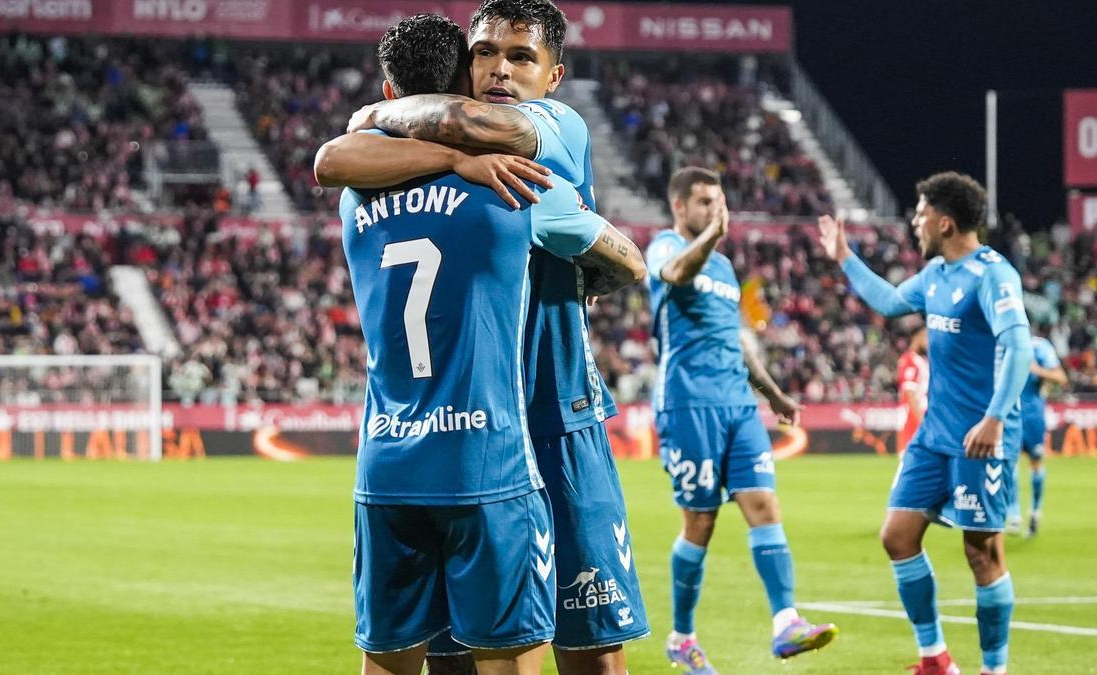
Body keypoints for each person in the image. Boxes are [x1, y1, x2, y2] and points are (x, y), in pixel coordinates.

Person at [326, 2, 651, 673]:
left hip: (556, 415)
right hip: (480, 432)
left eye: (521, 57)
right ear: (462, 63)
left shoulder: (542, 132)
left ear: (553, 75)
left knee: (589, 644)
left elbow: (353, 150)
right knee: (458, 649)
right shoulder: (455, 169)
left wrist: (373, 114)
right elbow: (341, 156)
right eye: (484, 53)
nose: (500, 69)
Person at [817, 171, 1032, 675]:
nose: (915, 222)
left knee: (981, 554)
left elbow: (1018, 345)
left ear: (946, 221)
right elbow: (891, 303)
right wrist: (845, 258)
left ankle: (993, 670)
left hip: (981, 439)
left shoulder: (992, 275)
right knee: (897, 535)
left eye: (920, 214)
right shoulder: (936, 275)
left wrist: (995, 419)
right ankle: (935, 657)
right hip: (935, 437)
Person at [646, 167, 838, 674]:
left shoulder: (726, 268)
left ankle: (786, 624)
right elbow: (674, 277)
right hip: (688, 404)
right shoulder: (664, 247)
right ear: (680, 206)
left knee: (764, 504)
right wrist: (710, 237)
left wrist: (773, 394)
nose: (715, 211)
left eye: (718, 202)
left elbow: (734, 341)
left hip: (738, 405)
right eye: (705, 202)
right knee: (701, 522)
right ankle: (682, 638)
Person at [1006, 330, 1066, 536]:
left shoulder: (1039, 347)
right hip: (1008, 414)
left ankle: (1035, 511)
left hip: (1033, 416)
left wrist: (1036, 370)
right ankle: (1013, 515)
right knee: (1009, 462)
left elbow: (1060, 377)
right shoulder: (1003, 342)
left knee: (1036, 462)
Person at [897, 328, 930, 455]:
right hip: (913, 417)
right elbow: (910, 393)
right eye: (925, 337)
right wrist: (923, 421)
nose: (928, 341)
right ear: (916, 338)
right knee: (909, 459)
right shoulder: (909, 360)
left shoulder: (922, 360)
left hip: (924, 414)